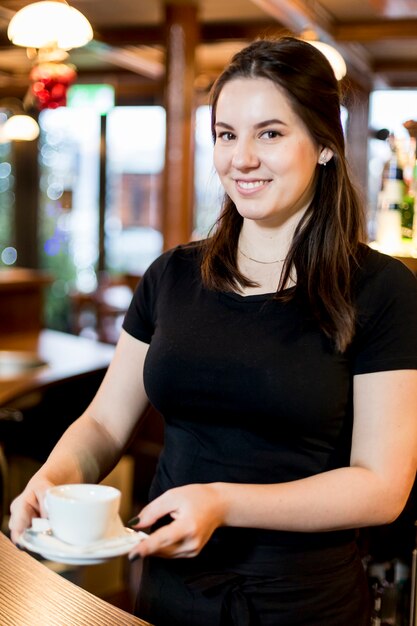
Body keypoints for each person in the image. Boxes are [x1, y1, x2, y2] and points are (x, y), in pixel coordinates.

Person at [9, 36, 417, 626]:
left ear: (325, 145)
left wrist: (222, 502)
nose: (241, 159)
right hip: (168, 593)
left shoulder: (381, 290)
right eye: (227, 134)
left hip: (300, 605)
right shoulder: (172, 275)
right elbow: (103, 423)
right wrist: (52, 478)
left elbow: (382, 486)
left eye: (269, 133)